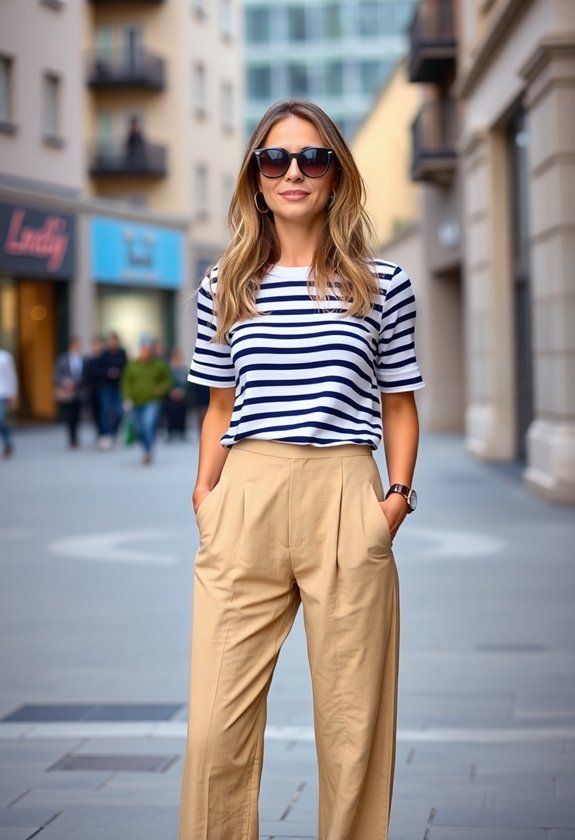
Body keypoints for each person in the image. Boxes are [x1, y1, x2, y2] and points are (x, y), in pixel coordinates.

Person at [178, 100, 424, 840]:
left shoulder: (381, 284)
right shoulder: (226, 283)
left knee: (353, 731)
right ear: (254, 177)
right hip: (244, 498)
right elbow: (220, 407)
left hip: (346, 496)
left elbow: (399, 404)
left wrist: (394, 501)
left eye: (312, 158)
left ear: (335, 174)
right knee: (215, 728)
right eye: (274, 159)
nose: (292, 172)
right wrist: (206, 495)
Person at [120, 335, 173, 465]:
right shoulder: (132, 365)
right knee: (139, 428)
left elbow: (168, 379)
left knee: (148, 423)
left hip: (152, 401)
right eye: (144, 349)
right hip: (135, 401)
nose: (146, 352)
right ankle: (145, 449)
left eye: (148, 349)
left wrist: (162, 388)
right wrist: (126, 398)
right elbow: (125, 382)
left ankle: (149, 451)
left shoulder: (159, 364)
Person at [96, 331, 127, 449]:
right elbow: (98, 370)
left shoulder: (122, 353)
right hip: (106, 386)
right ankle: (106, 434)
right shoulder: (104, 354)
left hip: (118, 386)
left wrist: (119, 373)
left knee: (119, 411)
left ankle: (113, 432)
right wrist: (108, 372)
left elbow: (126, 367)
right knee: (106, 410)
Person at [54, 337, 85, 449]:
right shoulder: (63, 359)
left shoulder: (82, 359)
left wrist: (76, 382)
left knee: (77, 416)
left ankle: (76, 437)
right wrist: (65, 382)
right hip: (68, 392)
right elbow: (56, 374)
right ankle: (72, 438)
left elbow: (85, 374)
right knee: (70, 416)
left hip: (79, 392)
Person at [163, 348, 189, 441]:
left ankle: (182, 432)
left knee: (182, 414)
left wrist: (183, 391)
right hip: (170, 397)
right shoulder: (168, 370)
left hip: (182, 397)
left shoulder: (184, 370)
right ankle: (170, 432)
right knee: (170, 415)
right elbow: (166, 382)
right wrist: (171, 391)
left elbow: (188, 383)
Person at [83, 334, 105, 443]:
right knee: (96, 413)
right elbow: (85, 376)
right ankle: (100, 433)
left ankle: (105, 433)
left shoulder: (105, 358)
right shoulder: (89, 360)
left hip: (104, 390)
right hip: (93, 391)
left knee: (105, 412)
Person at [0, 347, 17, 458]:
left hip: (2, 393)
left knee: (1, 419)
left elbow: (11, 375)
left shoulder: (5, 356)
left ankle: (8, 444)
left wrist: (12, 393)